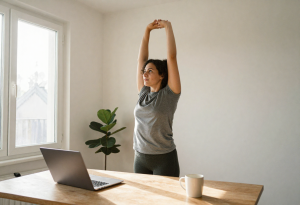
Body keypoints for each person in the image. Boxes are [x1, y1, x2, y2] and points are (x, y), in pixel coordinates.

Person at [133, 19, 181, 177]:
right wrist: (147, 30)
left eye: (150, 71)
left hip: (164, 158)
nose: (145, 74)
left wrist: (168, 27)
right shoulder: (143, 92)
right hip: (140, 157)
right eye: (144, 71)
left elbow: (172, 57)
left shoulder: (170, 94)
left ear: (162, 75)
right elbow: (141, 60)